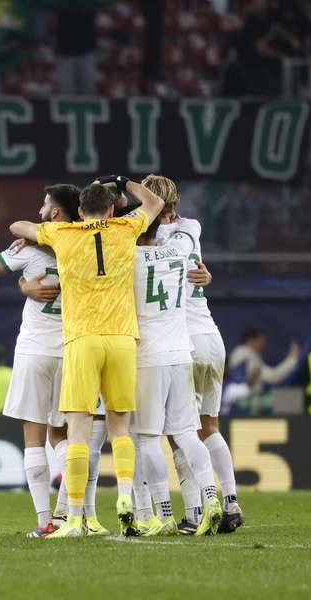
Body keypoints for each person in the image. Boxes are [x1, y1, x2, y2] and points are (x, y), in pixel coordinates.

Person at [0, 185, 108, 537]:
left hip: (35, 351)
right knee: (66, 435)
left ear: (56, 214)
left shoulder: (31, 251)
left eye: (46, 204)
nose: (40, 207)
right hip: (75, 350)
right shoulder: (92, 247)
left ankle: (45, 522)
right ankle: (79, 515)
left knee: (34, 437)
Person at [10, 176, 164, 538]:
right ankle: (125, 498)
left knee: (77, 430)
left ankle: (75, 517)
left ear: (78, 211)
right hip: (123, 338)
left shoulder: (63, 235)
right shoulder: (125, 227)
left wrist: (40, 230)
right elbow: (154, 203)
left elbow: (17, 225)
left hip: (81, 340)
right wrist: (124, 182)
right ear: (112, 208)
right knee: (119, 428)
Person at [155, 180, 247, 532]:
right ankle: (231, 500)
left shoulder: (143, 238)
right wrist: (204, 274)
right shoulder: (191, 227)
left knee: (179, 432)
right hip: (212, 338)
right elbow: (194, 265)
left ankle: (194, 513)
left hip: (183, 342)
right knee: (209, 427)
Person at [128, 206, 223, 537]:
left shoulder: (128, 259)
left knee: (148, 437)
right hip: (181, 352)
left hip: (148, 358)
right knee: (186, 433)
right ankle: (211, 498)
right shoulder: (180, 248)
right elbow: (188, 237)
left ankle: (164, 513)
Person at [225, 329, 299, 416]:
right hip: (243, 402)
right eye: (260, 340)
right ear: (251, 340)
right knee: (291, 400)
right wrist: (292, 359)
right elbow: (274, 376)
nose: (263, 343)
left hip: (239, 399)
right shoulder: (247, 355)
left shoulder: (240, 352)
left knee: (286, 398)